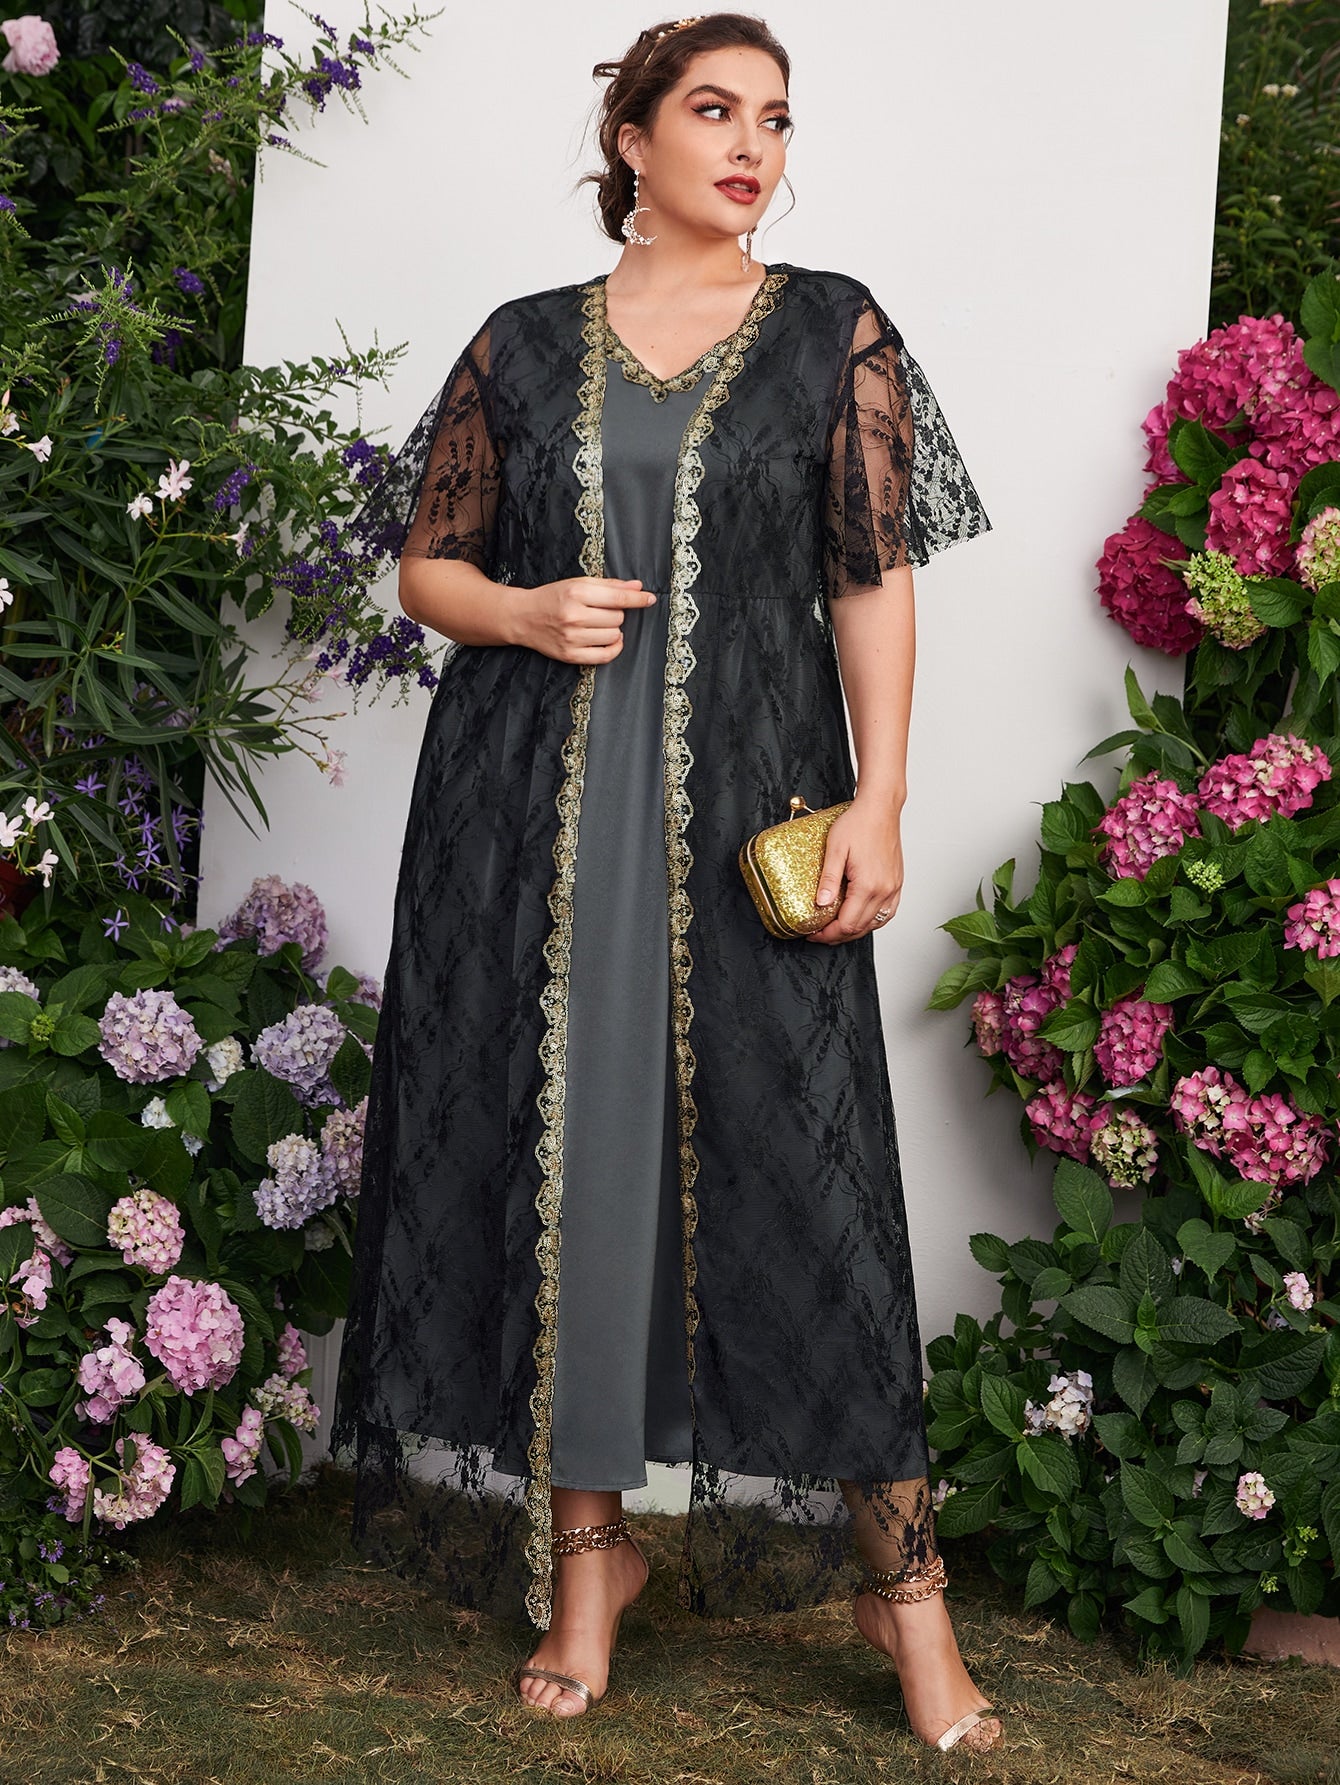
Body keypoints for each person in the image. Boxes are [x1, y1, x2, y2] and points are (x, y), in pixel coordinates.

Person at [329, 10, 999, 1756]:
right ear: (631, 138)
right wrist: (522, 608)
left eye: (776, 117)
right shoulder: (523, 343)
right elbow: (425, 568)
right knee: (565, 1164)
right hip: (530, 817)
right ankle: (588, 1570)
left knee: (812, 1190)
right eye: (715, 110)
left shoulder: (834, 331)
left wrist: (881, 797)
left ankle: (906, 1590)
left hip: (745, 817)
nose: (753, 144)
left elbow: (872, 578)